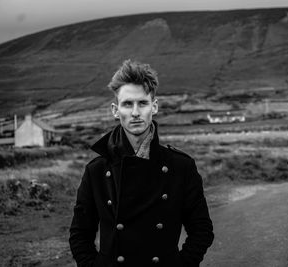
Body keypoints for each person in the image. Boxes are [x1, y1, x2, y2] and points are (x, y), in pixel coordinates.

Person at [69, 59, 214, 267]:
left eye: (142, 103)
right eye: (127, 104)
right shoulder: (97, 171)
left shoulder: (181, 167)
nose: (135, 112)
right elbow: (80, 234)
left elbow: (202, 230)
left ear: (154, 107)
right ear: (115, 110)